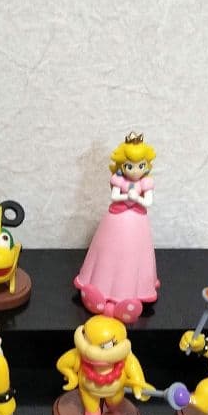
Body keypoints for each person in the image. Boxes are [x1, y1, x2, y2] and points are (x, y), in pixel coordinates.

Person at [74, 133, 159, 323]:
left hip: (137, 224)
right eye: (130, 166)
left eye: (141, 166)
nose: (135, 171)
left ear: (147, 165)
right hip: (115, 220)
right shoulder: (118, 180)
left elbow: (148, 201)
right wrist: (129, 197)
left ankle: (132, 294)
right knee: (107, 254)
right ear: (122, 166)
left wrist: (136, 199)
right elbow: (114, 196)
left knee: (134, 257)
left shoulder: (146, 182)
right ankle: (98, 290)